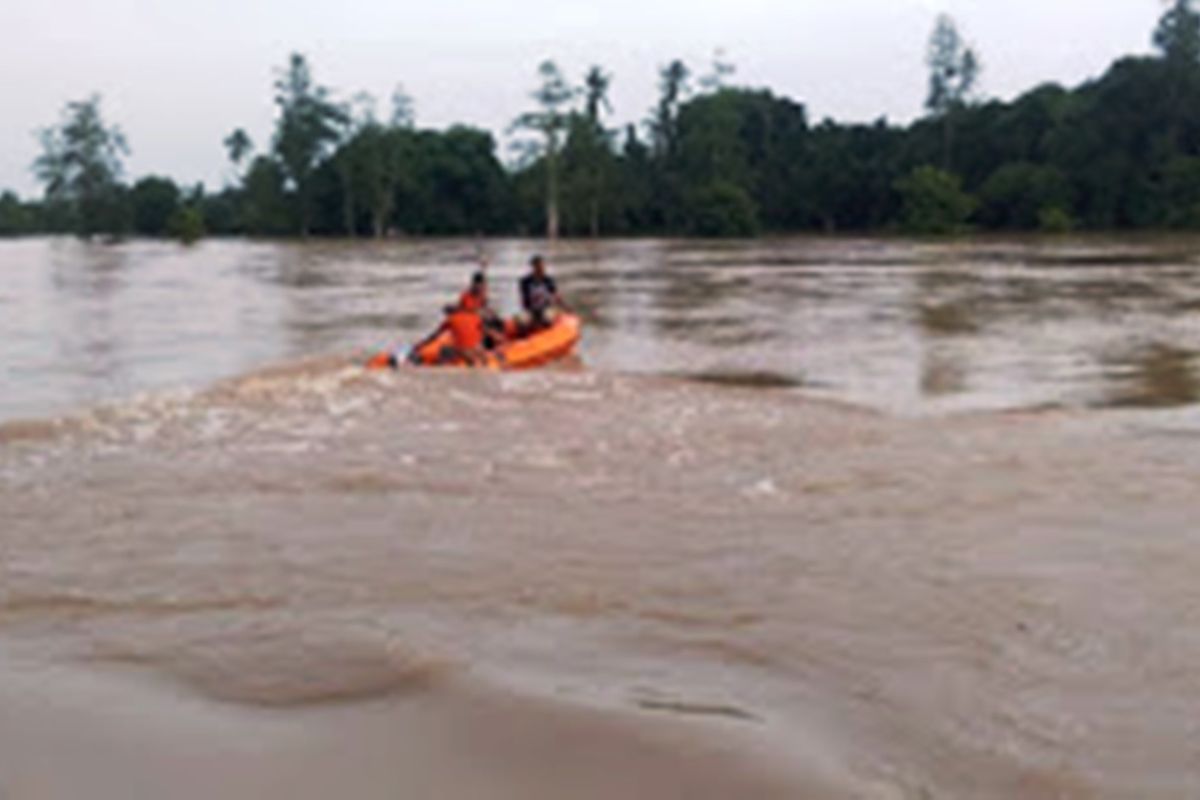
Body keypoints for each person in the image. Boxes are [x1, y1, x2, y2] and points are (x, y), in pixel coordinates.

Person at [518, 254, 571, 331]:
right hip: (531, 309)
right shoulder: (525, 281)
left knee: (547, 319)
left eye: (543, 266)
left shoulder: (548, 280)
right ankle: (526, 339)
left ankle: (548, 335)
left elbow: (556, 296)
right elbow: (524, 299)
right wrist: (528, 312)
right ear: (533, 267)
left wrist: (566, 308)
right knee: (522, 322)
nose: (542, 269)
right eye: (539, 267)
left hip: (546, 308)